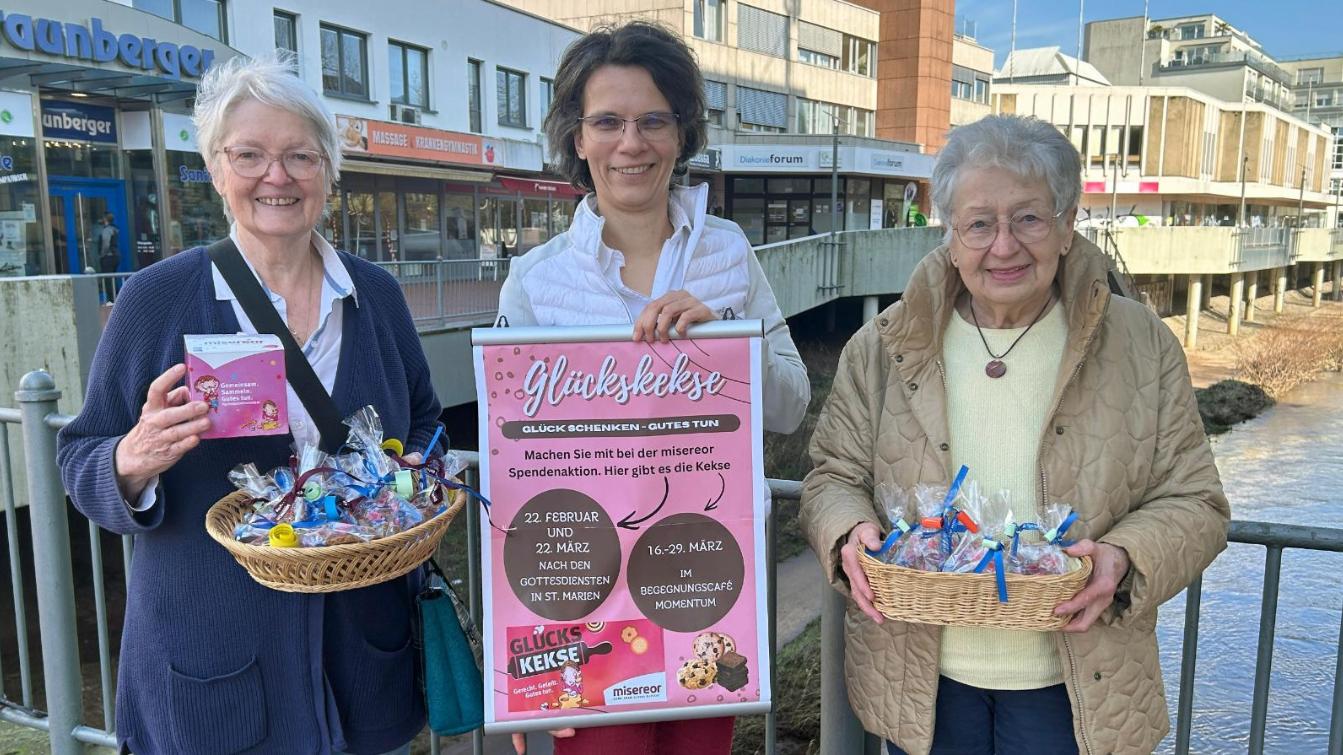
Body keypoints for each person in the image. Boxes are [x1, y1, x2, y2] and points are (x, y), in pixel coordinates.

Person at [799, 115, 1229, 755]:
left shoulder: (1140, 344)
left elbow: (1198, 503)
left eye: (1028, 218)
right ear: (949, 234)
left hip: (1081, 677)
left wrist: (1125, 557)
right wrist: (847, 533)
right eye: (979, 223)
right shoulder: (883, 345)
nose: (1003, 246)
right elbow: (832, 477)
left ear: (1066, 224)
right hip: (921, 681)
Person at [56, 53, 440, 755]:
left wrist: (411, 475)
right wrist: (130, 460)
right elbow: (81, 454)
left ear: (327, 170)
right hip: (213, 654)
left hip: (360, 647)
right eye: (251, 155)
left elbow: (423, 417)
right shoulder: (158, 299)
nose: (277, 176)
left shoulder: (375, 296)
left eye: (300, 155)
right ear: (215, 168)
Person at [498, 21, 810, 755]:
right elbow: (513, 478)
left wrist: (722, 345)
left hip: (703, 584)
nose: (629, 143)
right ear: (576, 139)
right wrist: (522, 677)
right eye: (606, 122)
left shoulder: (730, 253)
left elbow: (792, 403)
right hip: (584, 603)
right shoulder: (535, 280)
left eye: (651, 121)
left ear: (680, 133)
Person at [97, 213, 120, 301]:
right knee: (112, 279)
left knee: (108, 281)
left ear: (105, 219)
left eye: (102, 218)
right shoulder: (114, 229)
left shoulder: (107, 230)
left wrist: (102, 255)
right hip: (115, 256)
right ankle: (116, 298)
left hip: (108, 257)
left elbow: (106, 244)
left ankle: (112, 300)